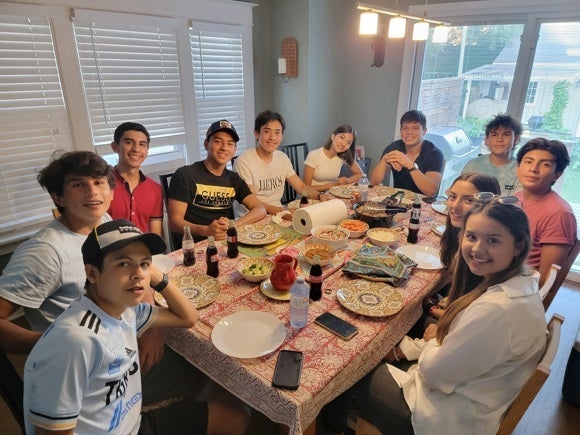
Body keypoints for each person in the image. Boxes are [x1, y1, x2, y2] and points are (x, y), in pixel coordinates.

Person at [321, 200, 547, 435]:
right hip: (475, 399)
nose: (478, 248)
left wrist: (432, 341)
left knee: (346, 371)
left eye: (493, 240)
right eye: (471, 237)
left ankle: (332, 428)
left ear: (519, 246)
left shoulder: (497, 311)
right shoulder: (524, 282)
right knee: (410, 327)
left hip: (440, 419)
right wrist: (434, 340)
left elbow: (433, 374)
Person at [23, 219, 249, 434]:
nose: (138, 274)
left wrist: (159, 278)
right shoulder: (75, 341)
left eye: (144, 264)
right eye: (123, 264)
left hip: (132, 423)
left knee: (236, 419)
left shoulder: (125, 310)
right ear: (92, 273)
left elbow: (188, 317)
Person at [0, 151, 115, 354]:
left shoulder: (104, 220)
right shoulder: (44, 252)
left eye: (99, 182)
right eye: (78, 184)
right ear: (58, 198)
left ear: (111, 192)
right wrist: (55, 345)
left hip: (113, 340)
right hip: (77, 362)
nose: (92, 192)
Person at [392, 173, 501, 361]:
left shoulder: (481, 257)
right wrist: (436, 309)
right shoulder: (461, 236)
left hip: (455, 353)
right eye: (453, 196)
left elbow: (467, 332)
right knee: (411, 310)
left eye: (468, 200)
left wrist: (405, 351)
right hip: (457, 323)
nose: (455, 206)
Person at [167, 119, 266, 243]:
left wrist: (234, 224)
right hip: (194, 245)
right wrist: (206, 230)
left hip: (225, 242)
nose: (224, 148)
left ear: (235, 149)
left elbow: (260, 209)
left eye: (230, 143)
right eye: (218, 141)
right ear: (206, 144)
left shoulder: (234, 179)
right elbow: (174, 222)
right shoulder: (185, 175)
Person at [233, 110, 325, 216]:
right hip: (252, 219)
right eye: (267, 131)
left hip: (277, 215)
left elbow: (301, 187)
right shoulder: (244, 162)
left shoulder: (282, 158)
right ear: (256, 133)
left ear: (281, 136)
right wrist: (282, 211)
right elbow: (253, 203)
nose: (272, 137)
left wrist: (320, 196)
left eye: (277, 132)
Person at [515, 137, 577, 286]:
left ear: (557, 174)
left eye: (545, 164)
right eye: (528, 161)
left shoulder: (559, 214)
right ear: (518, 166)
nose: (533, 169)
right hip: (496, 275)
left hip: (518, 289)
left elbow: (546, 281)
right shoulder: (515, 198)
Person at [369, 110, 444, 197]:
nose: (409, 132)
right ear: (400, 130)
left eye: (415, 128)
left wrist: (409, 165)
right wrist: (384, 160)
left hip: (422, 204)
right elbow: (374, 182)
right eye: (405, 128)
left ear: (424, 131)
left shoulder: (434, 154)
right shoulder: (394, 147)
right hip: (398, 200)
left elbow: (431, 191)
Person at [108, 122, 164, 235]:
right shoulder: (100, 186)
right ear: (115, 146)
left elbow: (155, 235)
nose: (136, 149)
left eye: (142, 144)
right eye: (128, 142)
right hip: (110, 251)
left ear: (147, 151)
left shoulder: (155, 189)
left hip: (144, 251)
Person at [462, 114, 523, 195]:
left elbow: (518, 202)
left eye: (506, 134)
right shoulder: (473, 165)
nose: (499, 139)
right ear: (486, 139)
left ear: (516, 139)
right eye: (494, 135)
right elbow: (460, 194)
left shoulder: (521, 170)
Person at [303, 124, 362, 192]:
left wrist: (346, 181)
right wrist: (334, 184)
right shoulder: (313, 155)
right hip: (311, 196)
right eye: (342, 137)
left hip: (330, 194)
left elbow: (360, 174)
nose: (343, 144)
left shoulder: (343, 156)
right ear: (333, 136)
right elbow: (306, 188)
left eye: (348, 142)